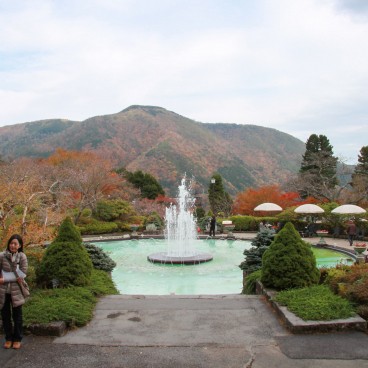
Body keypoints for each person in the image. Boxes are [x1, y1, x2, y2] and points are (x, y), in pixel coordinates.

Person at [0, 234, 28, 349]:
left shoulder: (22, 257)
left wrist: (5, 278)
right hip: (3, 291)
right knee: (5, 316)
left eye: (15, 243)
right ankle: (8, 338)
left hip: (17, 291)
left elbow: (22, 274)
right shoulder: (2, 255)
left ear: (19, 245)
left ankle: (17, 338)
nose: (13, 245)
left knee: (17, 316)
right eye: (11, 243)